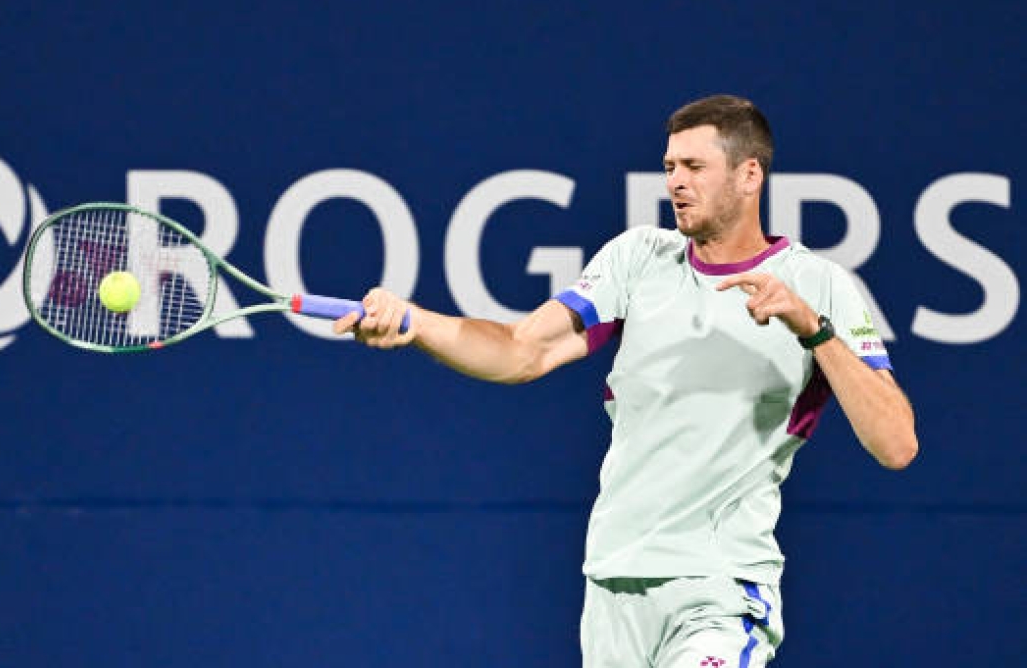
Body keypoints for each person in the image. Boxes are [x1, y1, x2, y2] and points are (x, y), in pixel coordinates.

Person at [333, 95, 919, 667]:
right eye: (669, 167)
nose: (676, 183)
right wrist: (414, 322)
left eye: (694, 167)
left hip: (720, 590)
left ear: (749, 175)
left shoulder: (817, 284)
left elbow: (896, 444)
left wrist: (813, 329)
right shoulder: (638, 259)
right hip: (613, 585)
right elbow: (520, 352)